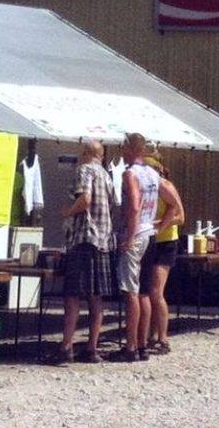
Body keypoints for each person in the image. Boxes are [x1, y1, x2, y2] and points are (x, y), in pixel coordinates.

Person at [45, 139, 117, 365]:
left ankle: (66, 346)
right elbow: (114, 204)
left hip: (84, 239)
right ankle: (91, 348)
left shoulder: (84, 170)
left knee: (73, 296)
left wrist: (67, 212)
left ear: (86, 153)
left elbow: (84, 199)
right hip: (103, 241)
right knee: (96, 297)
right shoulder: (106, 176)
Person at [108, 132, 160, 363]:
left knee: (130, 291)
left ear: (130, 149)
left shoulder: (130, 173)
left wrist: (128, 235)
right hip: (149, 233)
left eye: (123, 146)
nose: (121, 149)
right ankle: (142, 343)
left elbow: (134, 204)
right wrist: (160, 224)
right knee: (144, 293)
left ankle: (130, 347)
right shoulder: (153, 173)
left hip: (136, 234)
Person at [139, 155, 185, 355]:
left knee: (157, 291)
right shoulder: (144, 188)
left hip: (166, 241)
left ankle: (163, 338)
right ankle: (150, 333)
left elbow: (181, 217)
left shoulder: (165, 186)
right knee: (146, 290)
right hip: (148, 240)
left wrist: (160, 224)